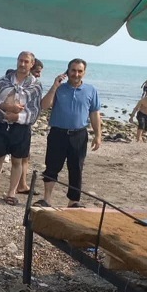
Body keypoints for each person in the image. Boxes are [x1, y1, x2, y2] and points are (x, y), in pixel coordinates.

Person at [34, 59, 101, 208]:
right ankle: (47, 199)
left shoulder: (91, 90)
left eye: (79, 71)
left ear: (84, 72)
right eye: (73, 70)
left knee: (76, 168)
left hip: (79, 135)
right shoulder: (59, 88)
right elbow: (44, 105)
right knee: (52, 166)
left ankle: (74, 201)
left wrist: (98, 135)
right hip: (58, 133)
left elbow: (94, 113)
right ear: (68, 71)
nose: (76, 74)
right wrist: (54, 86)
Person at [0, 51, 43, 206]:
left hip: (21, 128)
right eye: (20, 60)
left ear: (32, 64)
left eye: (26, 61)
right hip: (2, 124)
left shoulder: (36, 85)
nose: (22, 64)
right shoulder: (4, 81)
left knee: (17, 161)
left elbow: (35, 109)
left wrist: (18, 117)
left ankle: (11, 192)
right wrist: (6, 107)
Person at [17, 58, 44, 193]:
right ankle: (21, 184)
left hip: (25, 123)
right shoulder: (25, 86)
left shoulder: (34, 85)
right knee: (20, 157)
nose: (39, 75)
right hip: (19, 123)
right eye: (37, 72)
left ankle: (22, 183)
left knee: (25, 157)